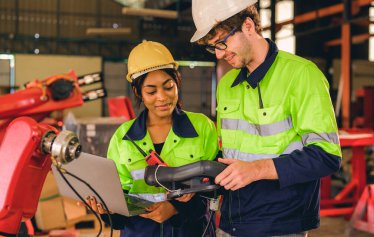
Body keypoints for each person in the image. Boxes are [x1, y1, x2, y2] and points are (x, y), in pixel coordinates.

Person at [190, 1, 342, 237]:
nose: (219, 54)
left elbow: (326, 156)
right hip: (230, 221)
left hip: (280, 224)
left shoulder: (302, 75)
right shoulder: (226, 86)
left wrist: (257, 170)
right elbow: (230, 154)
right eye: (213, 48)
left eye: (222, 43)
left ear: (248, 26)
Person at [86, 41, 219, 237]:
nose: (162, 97)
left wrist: (176, 209)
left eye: (168, 87)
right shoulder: (124, 137)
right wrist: (107, 210)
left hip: (190, 231)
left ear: (177, 83)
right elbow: (119, 199)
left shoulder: (202, 127)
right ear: (138, 92)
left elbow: (213, 189)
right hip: (139, 232)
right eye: (151, 91)